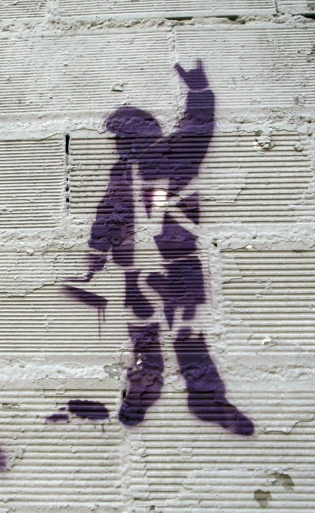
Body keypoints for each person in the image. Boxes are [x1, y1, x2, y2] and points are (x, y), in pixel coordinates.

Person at [67, 61, 253, 436]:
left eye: (125, 136)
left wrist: (200, 92)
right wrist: (94, 256)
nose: (121, 144)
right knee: (144, 338)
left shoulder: (176, 155)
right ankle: (142, 393)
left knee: (188, 337)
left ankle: (205, 399)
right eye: (118, 138)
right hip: (136, 271)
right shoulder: (120, 172)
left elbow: (198, 127)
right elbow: (106, 215)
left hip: (177, 265)